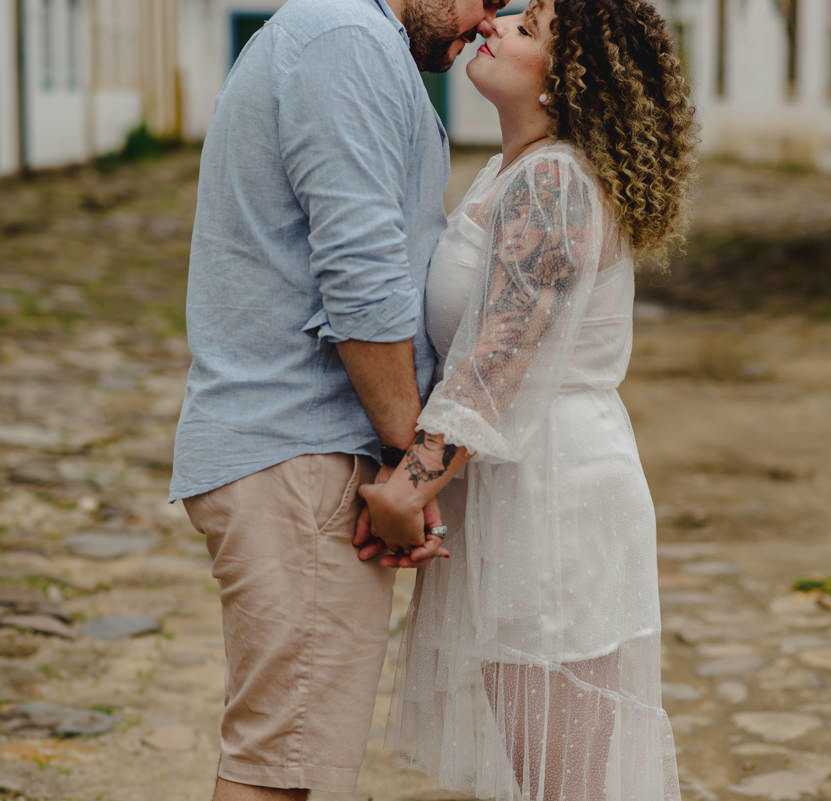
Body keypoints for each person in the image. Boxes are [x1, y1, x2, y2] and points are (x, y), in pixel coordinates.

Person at [353, 0, 696, 799]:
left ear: (563, 81)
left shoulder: (551, 181)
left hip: (555, 494)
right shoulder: (517, 169)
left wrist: (406, 491)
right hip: (526, 479)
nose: (496, 24)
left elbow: (493, 362)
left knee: (562, 782)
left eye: (529, 27)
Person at [169, 0, 505, 797]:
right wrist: (405, 464)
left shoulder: (355, 43)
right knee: (282, 770)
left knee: (287, 756)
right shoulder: (346, 41)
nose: (493, 17)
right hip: (302, 453)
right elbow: (361, 279)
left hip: (302, 453)